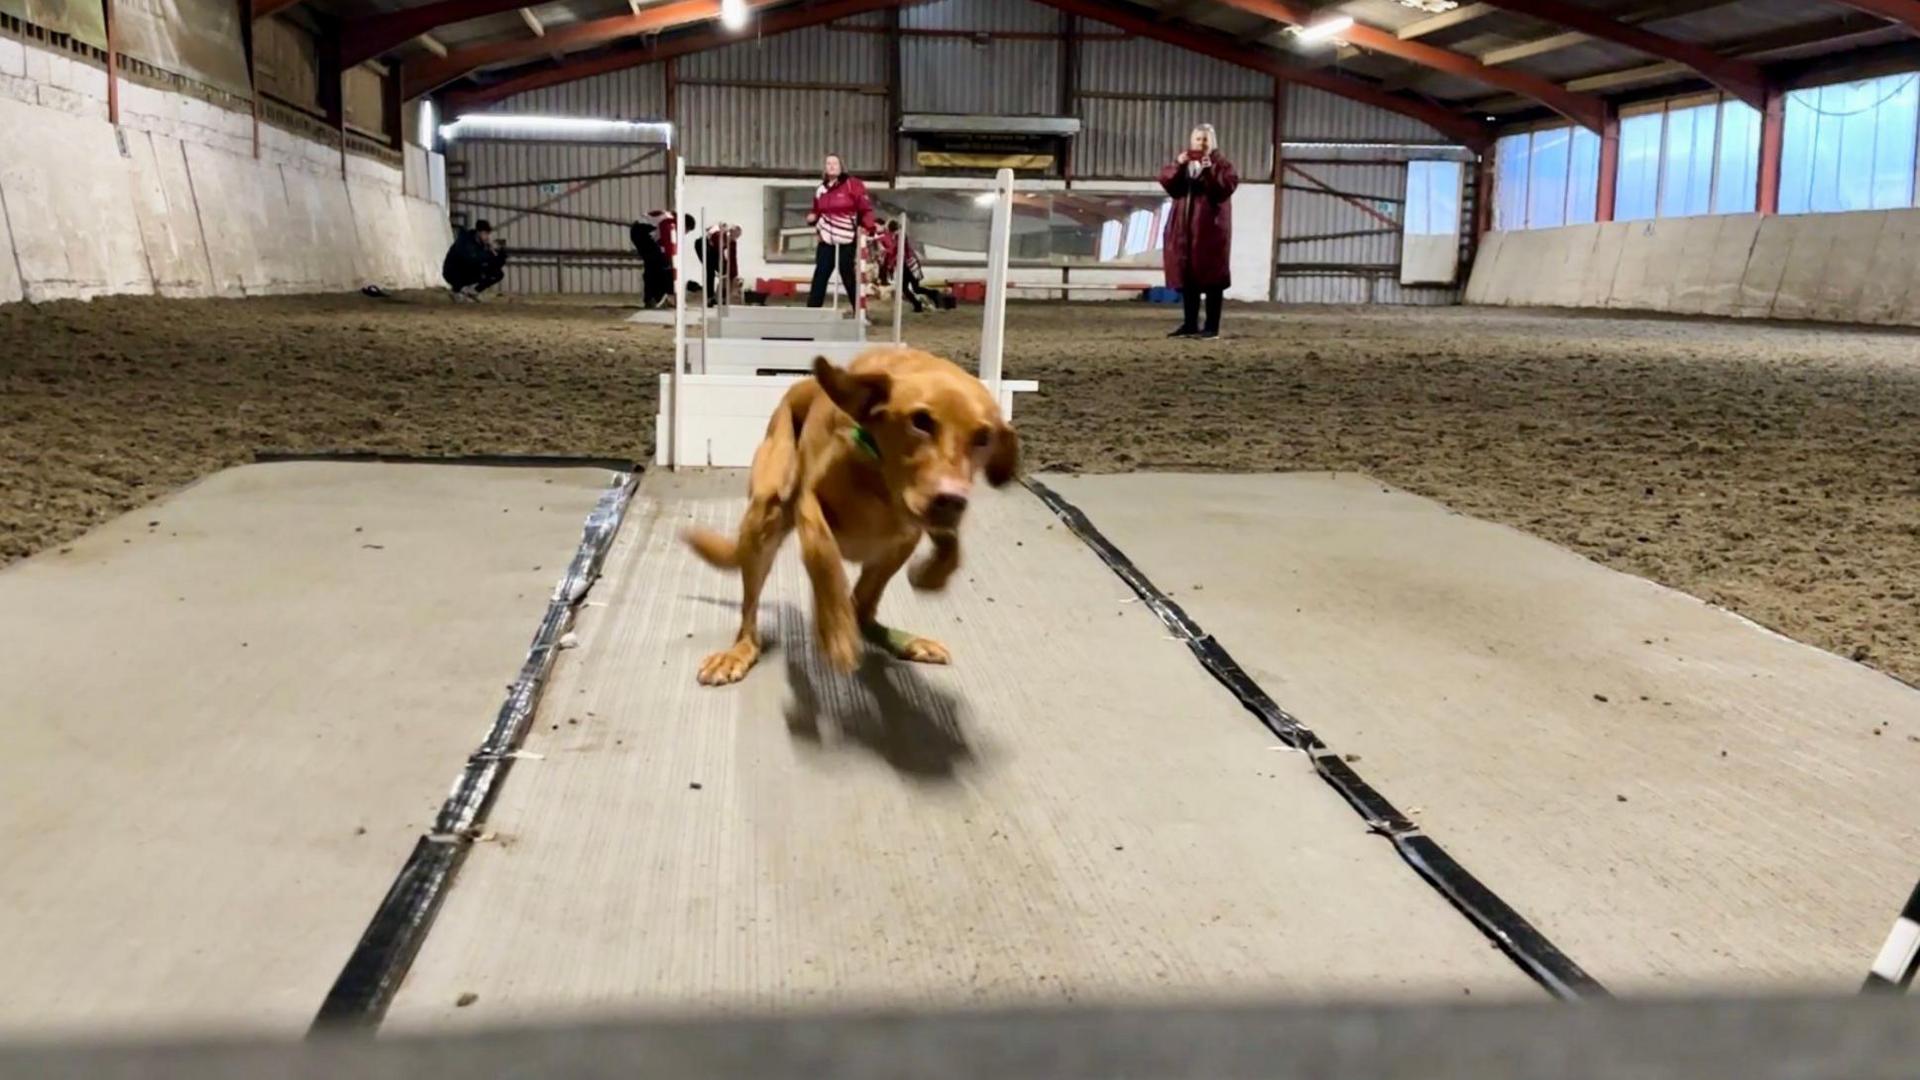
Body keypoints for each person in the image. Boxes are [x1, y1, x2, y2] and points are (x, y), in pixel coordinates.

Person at [1158, 123, 1238, 339]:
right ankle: (1190, 324)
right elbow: (1168, 184)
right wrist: (1178, 164)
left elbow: (1224, 189)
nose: (1201, 143)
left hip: (1211, 231)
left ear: (1213, 142)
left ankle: (1212, 327)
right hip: (1184, 231)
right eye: (1197, 139)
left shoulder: (1223, 166)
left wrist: (1209, 170)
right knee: (1188, 278)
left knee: (1213, 280)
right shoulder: (1185, 165)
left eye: (1205, 139)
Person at [806, 152, 875, 309]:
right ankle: (811, 311)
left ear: (841, 166)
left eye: (835, 163)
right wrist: (812, 217)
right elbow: (816, 211)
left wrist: (868, 228)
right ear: (824, 168)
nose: (831, 166)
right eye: (828, 163)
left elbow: (865, 208)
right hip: (826, 240)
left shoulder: (853, 185)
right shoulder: (820, 189)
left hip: (846, 238)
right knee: (820, 275)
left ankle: (859, 311)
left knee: (848, 275)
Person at [443, 218, 507, 301]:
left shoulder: (483, 244)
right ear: (478, 232)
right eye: (485, 234)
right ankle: (457, 290)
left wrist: (500, 254)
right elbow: (472, 258)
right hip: (452, 272)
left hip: (467, 271)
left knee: (497, 273)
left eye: (488, 234)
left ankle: (473, 292)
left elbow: (494, 264)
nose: (487, 237)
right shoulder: (465, 240)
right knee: (473, 265)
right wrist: (489, 254)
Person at [878, 218, 932, 314]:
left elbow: (894, 251)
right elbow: (893, 252)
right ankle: (918, 305)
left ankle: (930, 298)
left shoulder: (899, 237)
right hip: (906, 265)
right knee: (906, 288)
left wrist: (888, 261)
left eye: (887, 226)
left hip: (909, 265)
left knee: (914, 288)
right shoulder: (896, 236)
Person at [629, 219, 673, 308]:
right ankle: (654, 299)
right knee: (655, 266)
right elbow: (666, 245)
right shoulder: (672, 225)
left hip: (639, 230)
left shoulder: (669, 221)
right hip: (642, 232)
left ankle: (655, 298)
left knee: (656, 265)